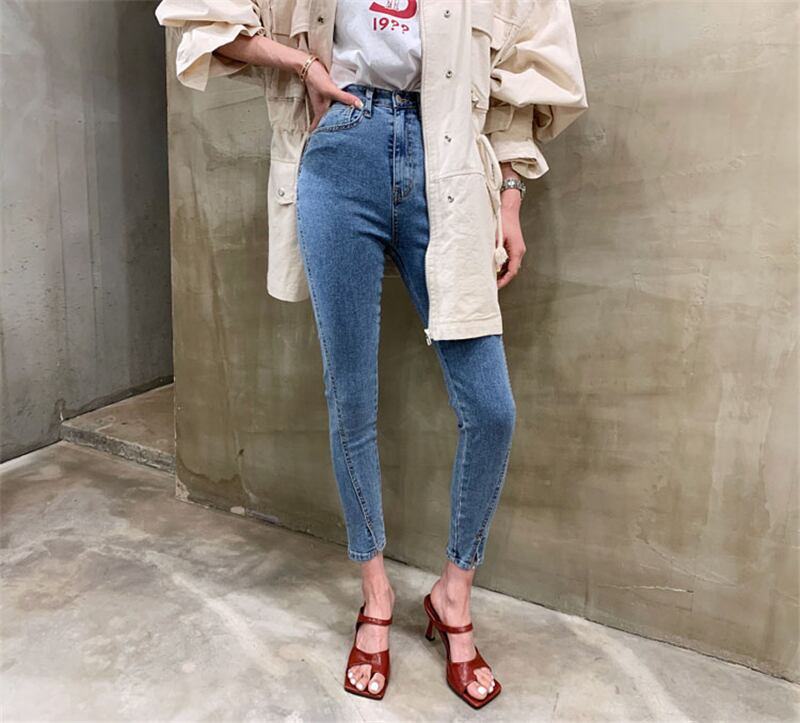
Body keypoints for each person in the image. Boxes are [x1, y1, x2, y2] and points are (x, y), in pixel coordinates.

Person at [155, 0, 588, 709]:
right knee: (351, 396)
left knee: (492, 410)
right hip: (341, 146)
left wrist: (510, 199)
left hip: (447, 159)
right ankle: (376, 592)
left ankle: (453, 594)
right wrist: (304, 64)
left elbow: (521, 73)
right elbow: (206, 18)